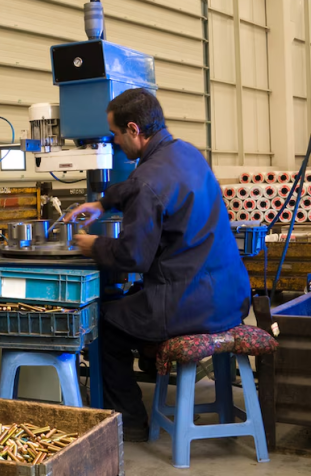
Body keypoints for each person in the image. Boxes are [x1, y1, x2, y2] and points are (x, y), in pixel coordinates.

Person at [65, 88, 250, 441]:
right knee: (135, 299)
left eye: (115, 134)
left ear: (133, 129)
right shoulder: (188, 153)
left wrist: (94, 245)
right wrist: (103, 203)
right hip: (231, 296)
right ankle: (152, 358)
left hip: (191, 304)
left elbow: (134, 256)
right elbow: (141, 186)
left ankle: (131, 422)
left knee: (104, 324)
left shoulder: (146, 180)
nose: (114, 142)